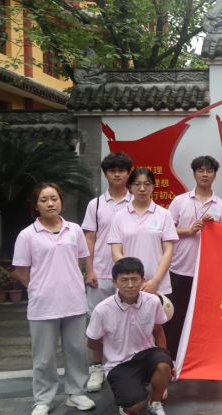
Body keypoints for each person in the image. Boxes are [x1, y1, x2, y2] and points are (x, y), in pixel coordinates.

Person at [13, 183, 96, 415]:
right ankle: (43, 400)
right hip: (43, 305)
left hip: (73, 301)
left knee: (77, 350)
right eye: (44, 200)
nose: (50, 203)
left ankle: (76, 393)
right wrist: (39, 288)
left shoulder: (74, 230)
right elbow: (22, 271)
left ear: (61, 201)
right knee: (44, 356)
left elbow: (79, 260)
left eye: (54, 198)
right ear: (35, 205)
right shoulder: (27, 235)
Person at [86, 257, 174, 415]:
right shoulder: (102, 309)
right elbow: (92, 341)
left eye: (135, 279)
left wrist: (167, 357)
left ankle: (155, 404)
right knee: (134, 405)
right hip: (119, 363)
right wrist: (110, 351)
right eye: (124, 280)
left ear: (143, 280)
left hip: (147, 355)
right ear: (115, 282)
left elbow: (158, 330)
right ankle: (133, 395)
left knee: (164, 364)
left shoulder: (153, 301)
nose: (130, 285)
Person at [167, 156, 222, 360]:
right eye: (201, 170)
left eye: (209, 171)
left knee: (204, 317)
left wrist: (215, 227)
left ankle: (200, 357)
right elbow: (167, 232)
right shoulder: (180, 201)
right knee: (176, 316)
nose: (205, 174)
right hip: (180, 268)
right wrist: (190, 230)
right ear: (194, 173)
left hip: (207, 272)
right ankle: (173, 359)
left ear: (215, 175)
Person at [82, 152, 133, 393]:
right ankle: (97, 367)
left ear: (128, 173)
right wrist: (89, 270)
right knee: (97, 322)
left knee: (130, 321)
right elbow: (89, 239)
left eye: (122, 170)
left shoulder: (136, 202)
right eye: (113, 171)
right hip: (101, 273)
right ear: (105, 174)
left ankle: (128, 365)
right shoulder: (96, 205)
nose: (117, 174)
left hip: (129, 276)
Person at [109, 167, 179, 296]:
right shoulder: (119, 216)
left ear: (153, 187)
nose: (142, 189)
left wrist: (155, 281)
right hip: (129, 286)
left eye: (147, 184)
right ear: (130, 187)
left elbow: (168, 251)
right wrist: (135, 280)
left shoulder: (164, 215)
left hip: (158, 285)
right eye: (137, 184)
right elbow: (116, 253)